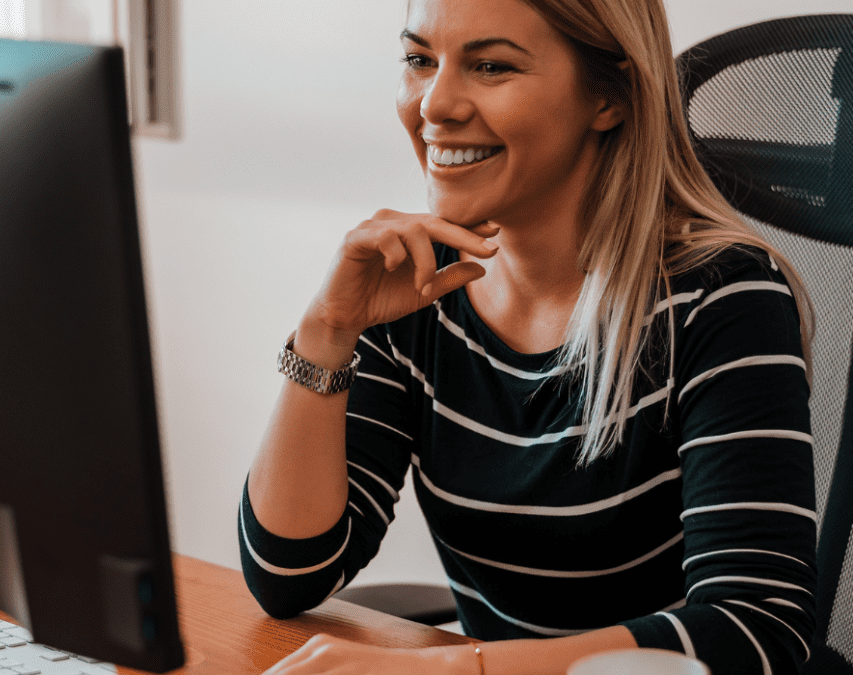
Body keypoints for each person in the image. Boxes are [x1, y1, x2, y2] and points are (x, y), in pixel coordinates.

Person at [239, 0, 818, 673]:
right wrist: (327, 329)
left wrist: (459, 668)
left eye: (489, 66)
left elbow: (753, 627)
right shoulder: (415, 290)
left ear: (610, 96)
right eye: (419, 60)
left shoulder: (719, 298)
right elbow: (288, 578)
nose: (436, 104)